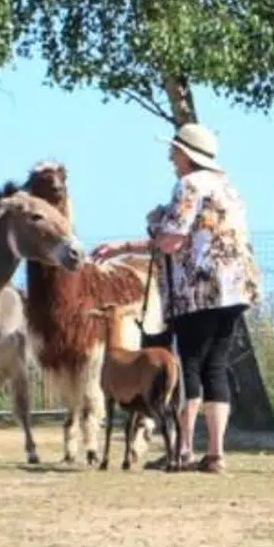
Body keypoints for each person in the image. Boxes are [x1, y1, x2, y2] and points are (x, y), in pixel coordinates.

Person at [90, 123, 262, 474]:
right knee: (217, 365)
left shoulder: (189, 185)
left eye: (174, 151)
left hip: (197, 290)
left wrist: (148, 228)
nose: (171, 157)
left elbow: (171, 241)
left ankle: (182, 449)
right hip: (236, 287)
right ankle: (215, 453)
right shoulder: (228, 187)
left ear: (187, 154)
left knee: (190, 365)